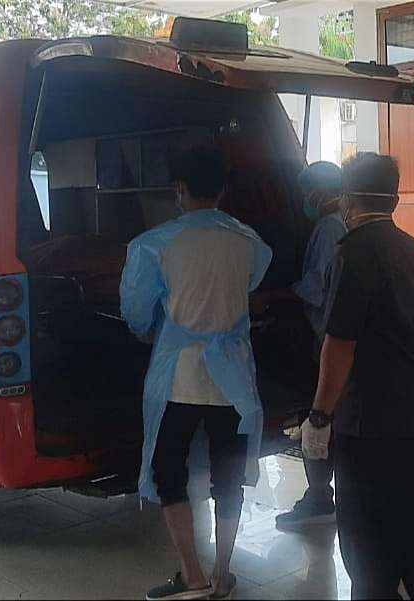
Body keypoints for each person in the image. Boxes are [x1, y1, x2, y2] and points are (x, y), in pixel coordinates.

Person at [300, 152, 414, 600]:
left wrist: (318, 417)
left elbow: (341, 343)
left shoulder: (352, 254)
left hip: (368, 420)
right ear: (394, 197)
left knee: (365, 537)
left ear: (347, 198)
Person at [120, 146, 273, 601]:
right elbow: (250, 285)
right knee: (227, 475)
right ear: (223, 190)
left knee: (171, 471)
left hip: (179, 376)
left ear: (179, 190)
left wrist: (152, 328)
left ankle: (192, 573)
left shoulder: (155, 243)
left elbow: (136, 311)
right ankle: (224, 572)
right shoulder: (250, 242)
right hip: (233, 379)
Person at [254, 161, 347, 531]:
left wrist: (271, 298)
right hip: (332, 334)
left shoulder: (327, 227)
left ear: (320, 192)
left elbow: (315, 285)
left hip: (326, 337)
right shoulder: (339, 222)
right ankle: (328, 494)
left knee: (319, 418)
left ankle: (320, 495)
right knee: (330, 418)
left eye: (306, 191)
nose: (302, 199)